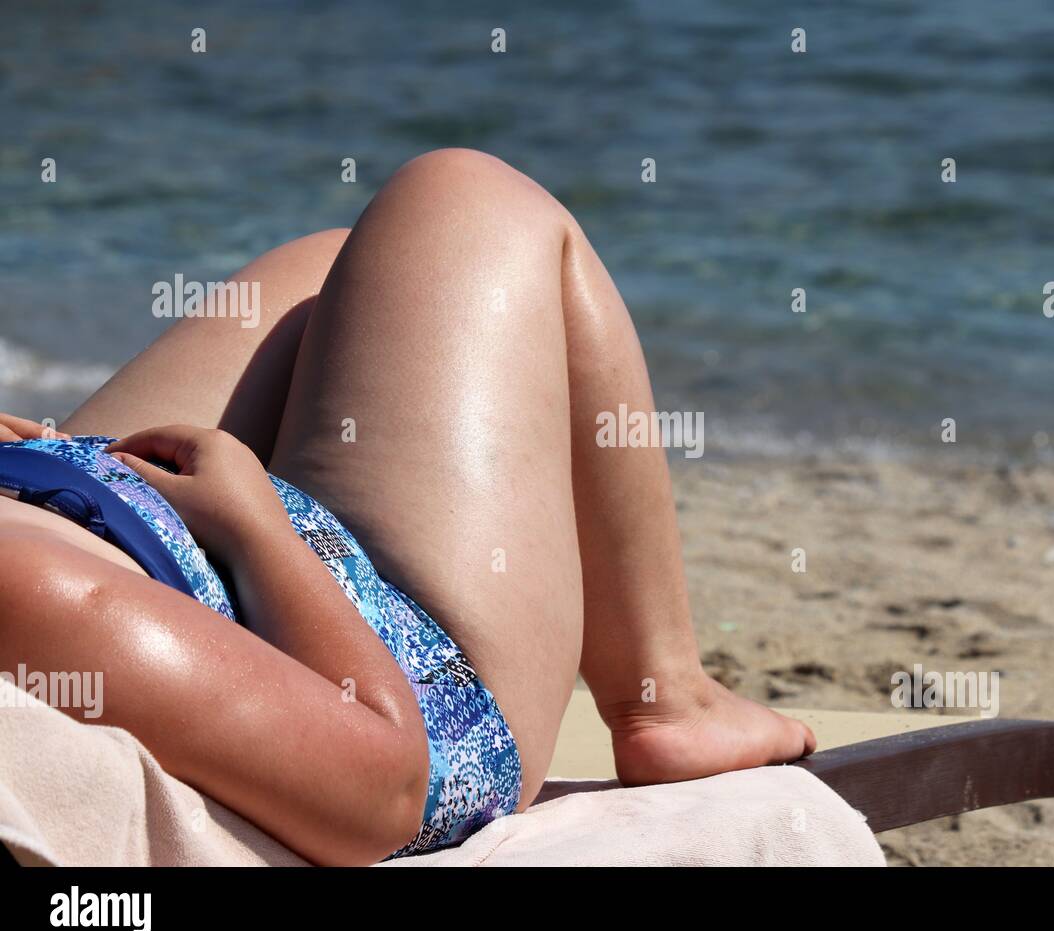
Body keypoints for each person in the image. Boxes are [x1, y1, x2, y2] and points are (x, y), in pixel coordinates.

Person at [0, 149, 815, 865]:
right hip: (414, 685)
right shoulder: (39, 595)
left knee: (331, 278)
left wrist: (42, 472)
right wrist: (253, 529)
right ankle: (665, 700)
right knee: (467, 200)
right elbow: (388, 785)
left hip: (135, 536)